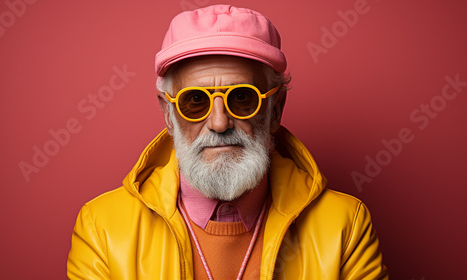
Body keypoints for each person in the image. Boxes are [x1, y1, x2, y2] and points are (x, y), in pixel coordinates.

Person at [67, 4, 388, 279]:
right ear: (168, 115)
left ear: (275, 110)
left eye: (243, 98)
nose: (219, 123)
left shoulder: (345, 224)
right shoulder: (103, 227)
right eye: (195, 101)